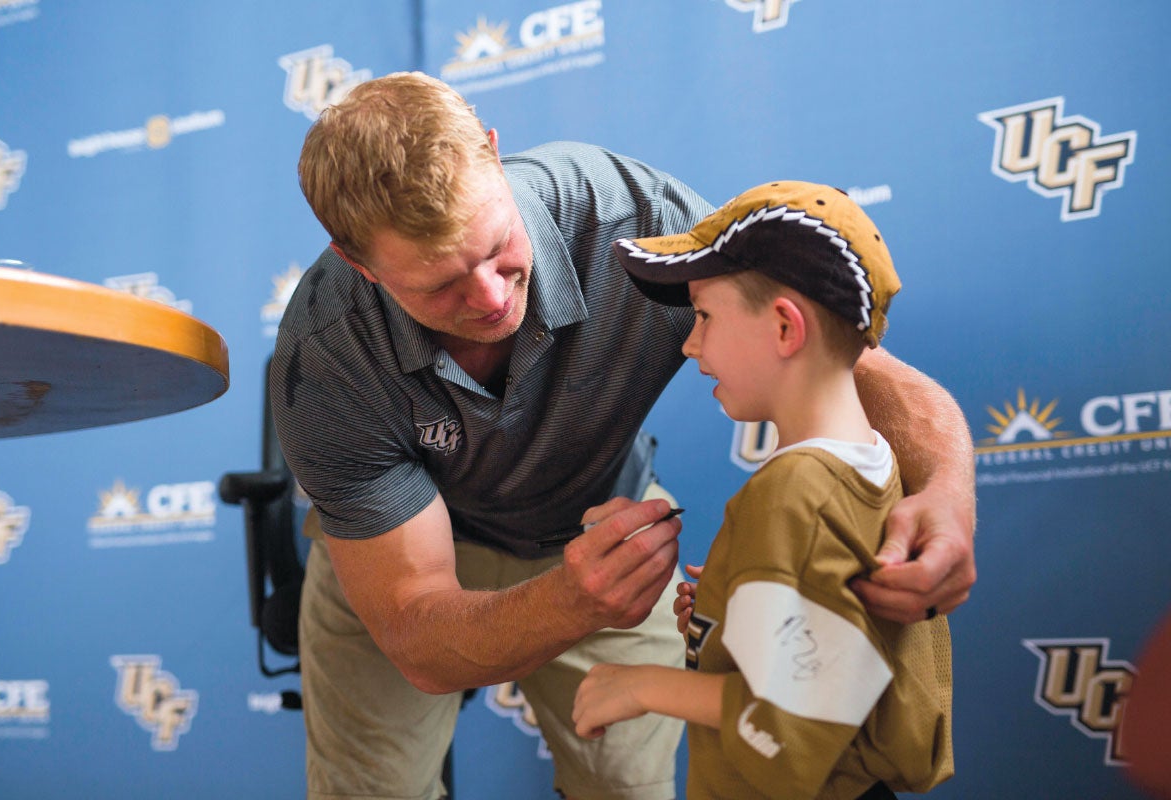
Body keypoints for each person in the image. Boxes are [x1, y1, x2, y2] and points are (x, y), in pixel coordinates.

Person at [270, 71, 975, 800]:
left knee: (627, 791)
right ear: (359, 263)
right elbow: (418, 630)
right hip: (403, 566)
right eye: (439, 285)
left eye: (498, 246)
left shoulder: (631, 218)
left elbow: (857, 366)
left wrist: (948, 494)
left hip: (601, 527)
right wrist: (575, 602)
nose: (488, 296)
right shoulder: (323, 354)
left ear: (492, 152)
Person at [572, 181, 954, 799]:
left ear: (783, 328)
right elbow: (846, 655)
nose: (690, 344)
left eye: (703, 316)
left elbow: (799, 718)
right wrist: (727, 624)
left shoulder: (793, 493)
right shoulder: (874, 462)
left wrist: (639, 684)